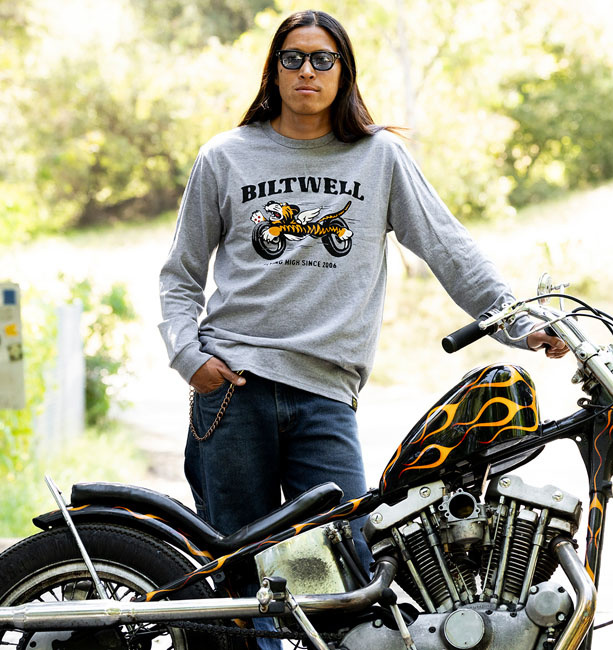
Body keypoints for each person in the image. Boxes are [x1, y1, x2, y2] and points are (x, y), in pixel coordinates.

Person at [158, 8, 567, 646]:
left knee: (350, 571)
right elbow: (180, 274)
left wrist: (520, 322)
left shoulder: (380, 157)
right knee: (238, 577)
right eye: (294, 58)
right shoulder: (225, 157)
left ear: (343, 72)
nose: (307, 71)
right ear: (274, 70)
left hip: (326, 393)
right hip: (233, 390)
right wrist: (190, 358)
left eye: (323, 59)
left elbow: (450, 250)